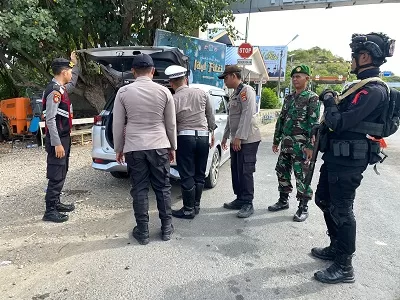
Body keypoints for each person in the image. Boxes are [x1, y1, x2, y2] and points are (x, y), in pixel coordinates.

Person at [312, 32, 395, 284]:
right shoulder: (359, 86)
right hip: (337, 157)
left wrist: (328, 99)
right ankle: (336, 246)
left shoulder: (373, 90)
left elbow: (340, 122)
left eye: (354, 56)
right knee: (323, 199)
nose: (352, 61)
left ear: (365, 56)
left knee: (342, 209)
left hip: (350, 159)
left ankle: (344, 265)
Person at [113, 54, 177, 245]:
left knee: (139, 188)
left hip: (134, 147)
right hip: (159, 145)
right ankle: (166, 228)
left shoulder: (123, 92)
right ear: (153, 71)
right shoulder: (164, 92)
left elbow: (118, 124)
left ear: (133, 71)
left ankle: (143, 231)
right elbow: (171, 124)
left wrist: (119, 148)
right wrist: (172, 146)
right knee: (163, 187)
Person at [268, 65, 320, 222]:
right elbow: (281, 120)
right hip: (286, 143)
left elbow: (314, 125)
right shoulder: (289, 98)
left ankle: (303, 207)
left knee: (301, 175)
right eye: (294, 77)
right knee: (281, 171)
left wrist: (311, 147)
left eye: (299, 76)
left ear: (307, 79)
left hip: (301, 145)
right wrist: (276, 140)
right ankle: (283, 200)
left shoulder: (312, 98)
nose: (295, 79)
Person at [164, 65, 216, 219]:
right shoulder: (202, 93)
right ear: (186, 79)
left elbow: (171, 124)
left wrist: (171, 145)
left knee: (187, 175)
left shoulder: (173, 99)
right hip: (203, 137)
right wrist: (211, 132)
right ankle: (196, 205)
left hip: (184, 138)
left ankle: (188, 210)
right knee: (200, 174)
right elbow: (210, 115)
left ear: (171, 83)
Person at [219, 65, 261, 218]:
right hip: (236, 139)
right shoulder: (234, 94)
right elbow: (232, 118)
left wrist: (239, 137)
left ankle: (248, 203)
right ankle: (240, 198)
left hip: (247, 139)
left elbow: (247, 114)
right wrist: (225, 136)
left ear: (233, 76)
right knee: (236, 170)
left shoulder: (246, 91)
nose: (224, 81)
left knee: (245, 170)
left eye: (225, 77)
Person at [42, 52, 79, 223]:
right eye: (70, 71)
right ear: (64, 72)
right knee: (56, 173)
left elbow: (72, 82)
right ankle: (49, 210)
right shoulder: (54, 92)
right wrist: (57, 143)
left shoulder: (61, 88)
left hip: (64, 137)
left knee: (62, 171)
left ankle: (56, 203)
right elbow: (50, 119)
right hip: (57, 139)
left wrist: (74, 64)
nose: (71, 75)